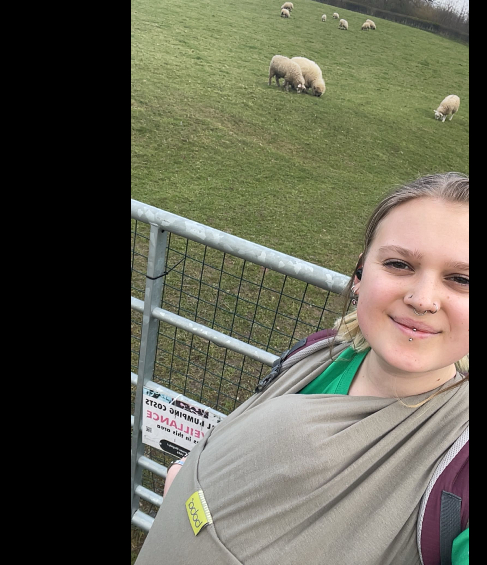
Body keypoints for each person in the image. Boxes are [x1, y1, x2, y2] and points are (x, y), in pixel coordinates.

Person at [136, 172, 469, 565]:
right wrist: (188, 471)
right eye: (399, 264)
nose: (423, 299)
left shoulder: (461, 468)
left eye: (461, 279)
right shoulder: (317, 354)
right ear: (360, 275)